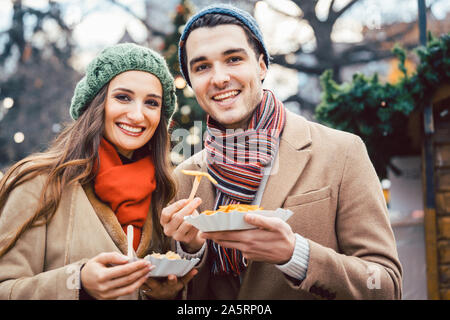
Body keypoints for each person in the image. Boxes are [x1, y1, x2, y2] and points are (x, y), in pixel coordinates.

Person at [161, 4, 402, 299]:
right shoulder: (185, 179)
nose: (219, 78)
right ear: (191, 81)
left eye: (234, 59)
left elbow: (386, 285)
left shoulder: (343, 152)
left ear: (261, 65)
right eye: (202, 67)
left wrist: (296, 255)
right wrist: (192, 252)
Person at [0, 43, 196, 300]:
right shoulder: (38, 182)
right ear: (96, 102)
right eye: (123, 97)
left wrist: (162, 294)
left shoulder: (164, 192)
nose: (137, 115)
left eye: (151, 103)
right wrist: (77, 282)